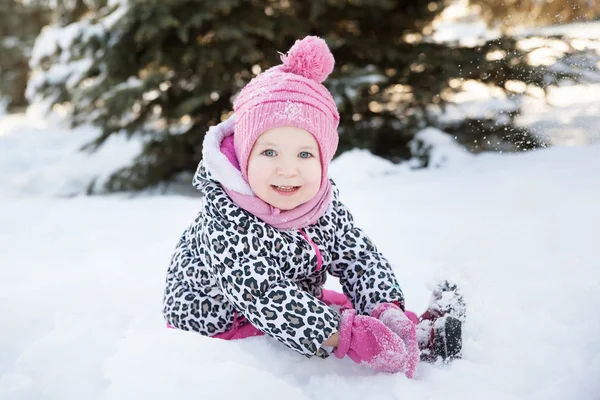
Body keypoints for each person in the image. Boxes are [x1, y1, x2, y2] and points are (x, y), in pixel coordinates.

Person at [163, 36, 448, 378]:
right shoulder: (228, 219)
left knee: (356, 311)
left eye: (304, 154)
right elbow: (267, 299)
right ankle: (402, 344)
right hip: (224, 323)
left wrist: (384, 307)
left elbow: (357, 256)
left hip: (289, 297)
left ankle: (411, 334)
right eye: (268, 152)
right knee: (340, 325)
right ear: (243, 156)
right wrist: (350, 336)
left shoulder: (321, 203)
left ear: (324, 160)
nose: (287, 169)